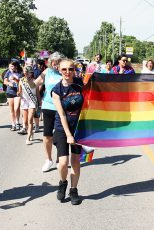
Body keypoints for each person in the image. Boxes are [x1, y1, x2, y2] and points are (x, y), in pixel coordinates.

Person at [52, 59, 84, 205]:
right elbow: (62, 114)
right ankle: (63, 182)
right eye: (64, 69)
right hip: (62, 128)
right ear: (59, 70)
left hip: (79, 128)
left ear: (74, 69)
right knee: (63, 162)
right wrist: (69, 135)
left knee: (76, 161)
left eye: (70, 69)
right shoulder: (56, 90)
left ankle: (73, 190)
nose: (68, 72)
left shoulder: (80, 84)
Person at [34, 52, 63, 172]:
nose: (56, 66)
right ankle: (48, 159)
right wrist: (26, 78)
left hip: (62, 107)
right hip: (48, 106)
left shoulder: (66, 71)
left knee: (60, 135)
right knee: (47, 135)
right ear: (50, 63)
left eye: (58, 63)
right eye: (54, 63)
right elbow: (34, 84)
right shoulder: (47, 72)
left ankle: (59, 159)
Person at [18, 66, 40, 144]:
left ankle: (28, 138)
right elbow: (19, 92)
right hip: (24, 102)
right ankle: (31, 132)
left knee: (30, 119)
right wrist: (19, 94)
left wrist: (40, 104)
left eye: (27, 72)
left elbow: (37, 94)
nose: (25, 73)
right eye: (24, 72)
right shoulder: (21, 81)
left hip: (32, 102)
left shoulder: (35, 82)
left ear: (31, 73)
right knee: (26, 121)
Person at [3, 61, 23, 131]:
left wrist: (15, 79)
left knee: (16, 108)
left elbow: (21, 82)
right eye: (10, 66)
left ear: (15, 66)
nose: (10, 68)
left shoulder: (20, 73)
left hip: (17, 92)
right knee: (11, 110)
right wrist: (8, 83)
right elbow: (4, 81)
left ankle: (17, 122)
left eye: (12, 66)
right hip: (10, 92)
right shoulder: (8, 72)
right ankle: (13, 124)